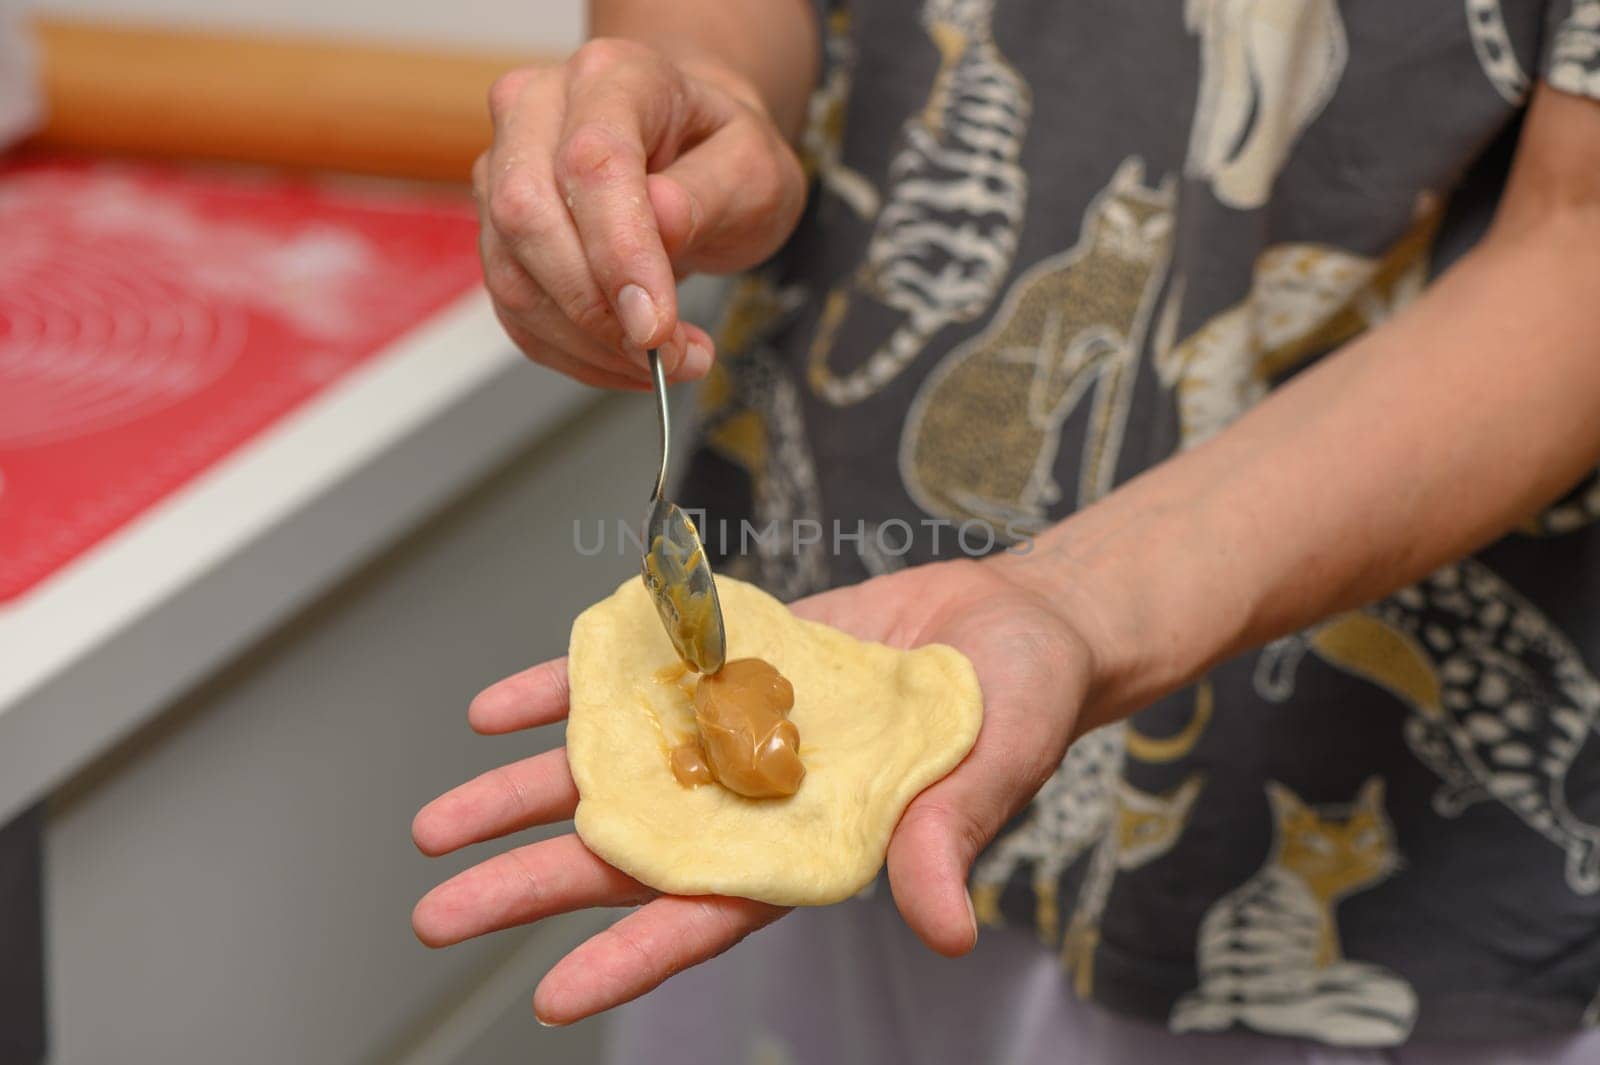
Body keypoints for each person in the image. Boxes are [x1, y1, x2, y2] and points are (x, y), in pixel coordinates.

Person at [412, 0, 1600, 1060]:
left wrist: (1081, 595)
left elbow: (1577, 244)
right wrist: (698, 80)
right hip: (822, 569)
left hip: (1339, 831)